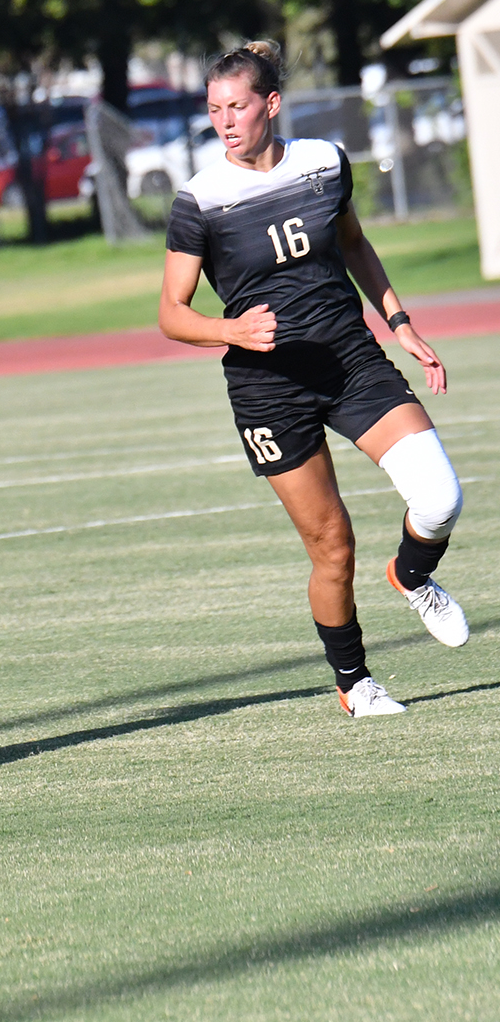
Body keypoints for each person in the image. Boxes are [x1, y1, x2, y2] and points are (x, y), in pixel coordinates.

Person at [158, 41, 468, 718]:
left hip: (351, 360)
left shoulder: (324, 163)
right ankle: (354, 683)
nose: (225, 121)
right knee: (333, 546)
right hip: (269, 389)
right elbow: (171, 314)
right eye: (214, 109)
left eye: (237, 106)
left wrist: (399, 321)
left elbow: (353, 243)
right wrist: (231, 330)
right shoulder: (200, 200)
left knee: (441, 497)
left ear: (271, 104)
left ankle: (411, 574)